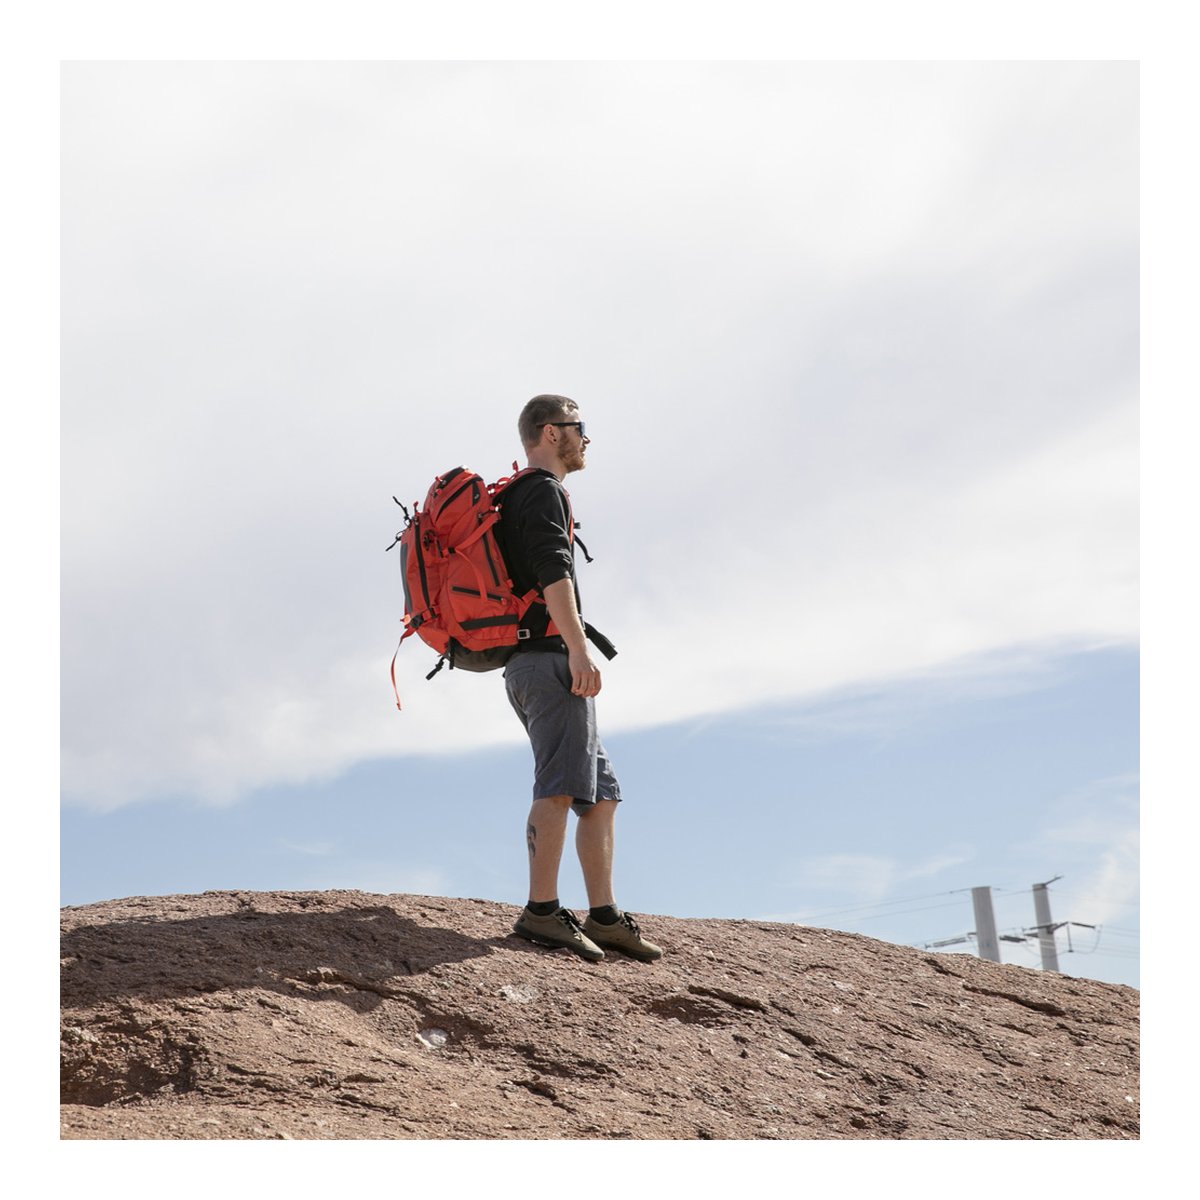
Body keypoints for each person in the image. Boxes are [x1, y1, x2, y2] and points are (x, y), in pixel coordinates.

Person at [494, 394, 662, 964]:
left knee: (600, 794)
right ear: (550, 432)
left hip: (536, 660)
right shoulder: (540, 491)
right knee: (561, 784)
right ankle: (541, 911)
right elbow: (551, 573)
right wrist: (578, 649)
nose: (586, 438)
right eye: (578, 427)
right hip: (547, 659)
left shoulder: (529, 493)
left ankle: (605, 915)